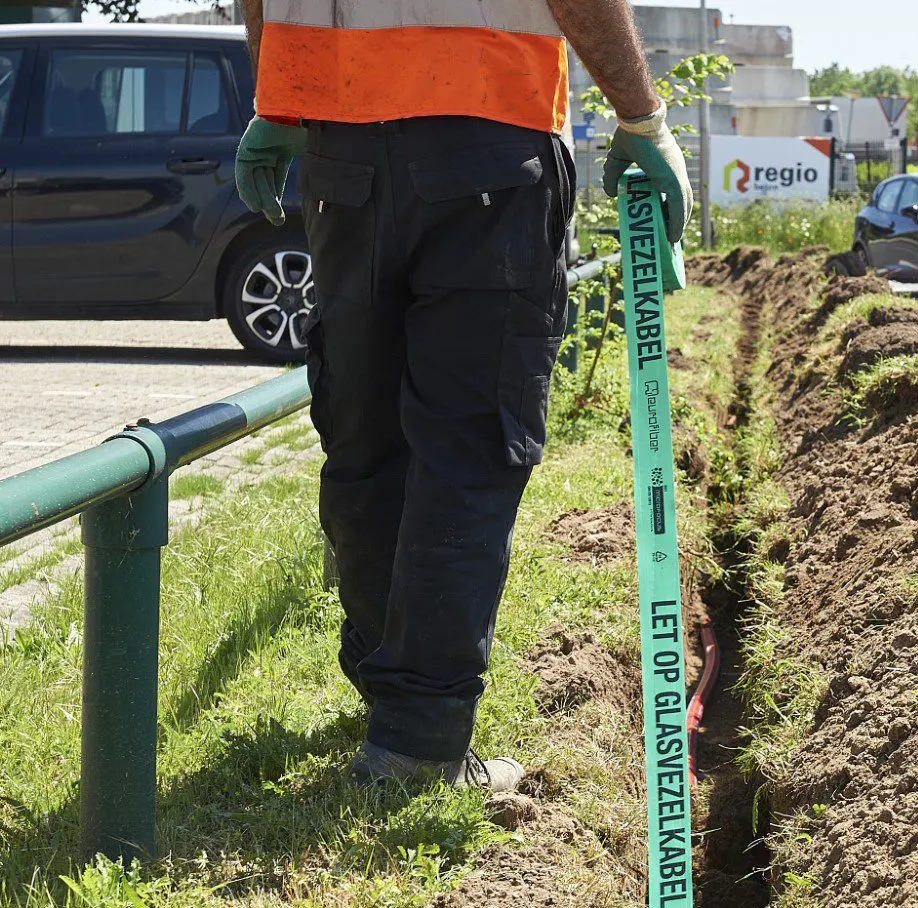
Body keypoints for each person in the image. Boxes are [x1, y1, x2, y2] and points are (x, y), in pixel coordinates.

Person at [235, 0, 691, 792]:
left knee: (365, 433)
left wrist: (277, 103)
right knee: (468, 443)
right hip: (489, 149)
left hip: (345, 157)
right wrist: (641, 115)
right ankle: (414, 742)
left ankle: (391, 700)